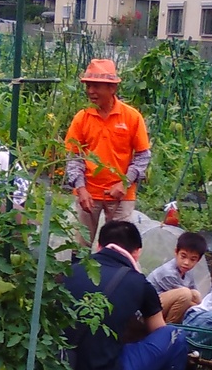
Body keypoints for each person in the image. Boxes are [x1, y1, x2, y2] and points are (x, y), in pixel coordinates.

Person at [64, 220, 190, 370]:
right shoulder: (138, 283)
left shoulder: (69, 271)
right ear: (137, 252)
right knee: (174, 338)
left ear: (99, 246)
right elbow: (158, 333)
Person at [65, 59, 152, 246]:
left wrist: (125, 182)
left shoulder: (131, 117)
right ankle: (79, 275)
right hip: (88, 193)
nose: (90, 91)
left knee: (119, 246)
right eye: (88, 86)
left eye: (96, 86)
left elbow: (143, 155)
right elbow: (74, 157)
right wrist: (81, 189)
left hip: (121, 195)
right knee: (81, 245)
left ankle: (113, 276)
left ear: (112, 88)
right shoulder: (82, 118)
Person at [146, 231, 207, 324]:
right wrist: (201, 309)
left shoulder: (188, 271)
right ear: (176, 252)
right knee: (185, 294)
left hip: (162, 307)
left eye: (192, 259)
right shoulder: (168, 272)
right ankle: (168, 329)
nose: (186, 262)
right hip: (147, 310)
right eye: (183, 256)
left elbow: (194, 294)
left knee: (196, 294)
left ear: (198, 260)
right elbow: (185, 300)